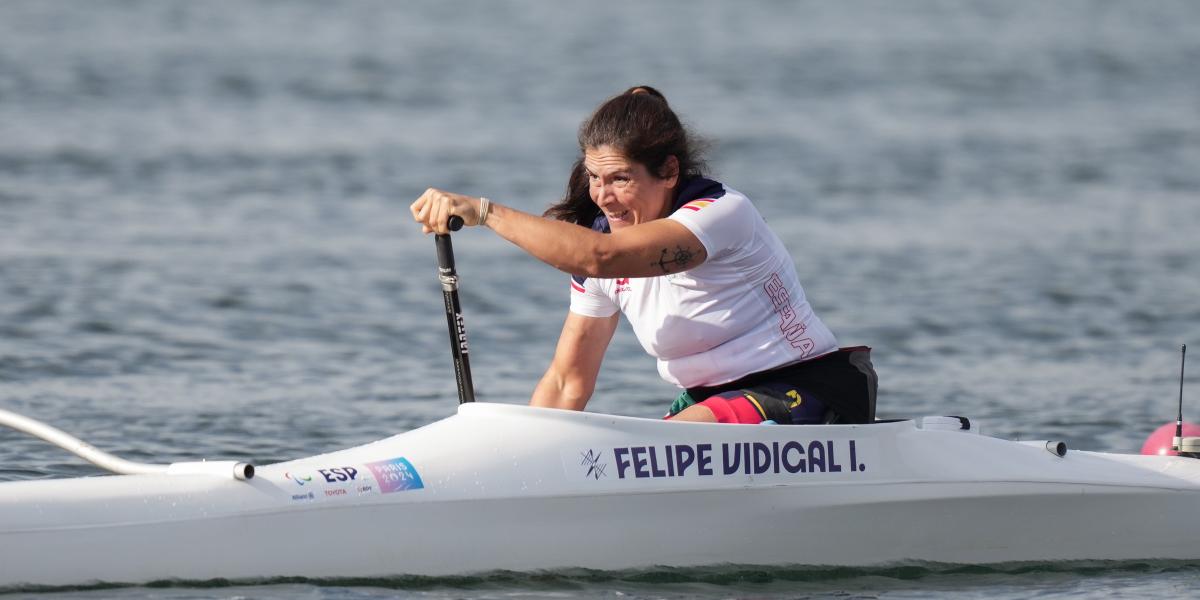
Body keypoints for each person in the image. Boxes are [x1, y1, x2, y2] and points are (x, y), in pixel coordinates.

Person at [411, 86, 876, 424]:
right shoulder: (599, 250)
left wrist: (485, 212)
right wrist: (515, 461)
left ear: (669, 171)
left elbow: (601, 258)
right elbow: (567, 383)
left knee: (658, 445)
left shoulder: (722, 214)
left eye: (620, 179)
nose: (602, 197)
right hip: (705, 404)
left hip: (807, 390)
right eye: (594, 177)